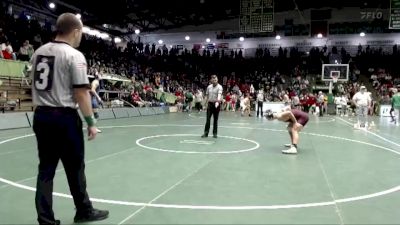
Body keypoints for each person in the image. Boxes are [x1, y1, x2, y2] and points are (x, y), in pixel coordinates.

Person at [30, 13, 109, 225]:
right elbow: (82, 93)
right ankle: (84, 210)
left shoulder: (38, 52)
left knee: (45, 170)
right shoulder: (74, 55)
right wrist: (91, 123)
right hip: (64, 117)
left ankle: (45, 219)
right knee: (75, 167)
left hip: (41, 116)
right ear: (75, 31)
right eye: (81, 32)